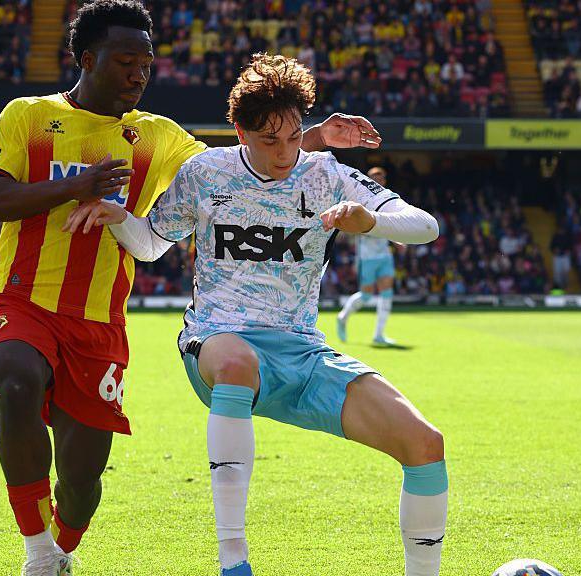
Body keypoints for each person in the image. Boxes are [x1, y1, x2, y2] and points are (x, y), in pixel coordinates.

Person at [0, 2, 382, 574]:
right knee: (16, 380)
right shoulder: (27, 117)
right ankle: (38, 551)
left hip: (98, 320)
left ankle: (61, 546)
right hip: (22, 300)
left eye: (146, 62)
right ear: (88, 59)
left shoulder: (155, 136)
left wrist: (308, 137)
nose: (139, 73)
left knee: (83, 481)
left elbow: (234, 165)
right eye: (125, 61)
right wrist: (79, 186)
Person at [65, 54, 446, 576]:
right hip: (218, 339)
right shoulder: (205, 172)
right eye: (269, 141)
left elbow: (425, 226)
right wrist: (116, 217)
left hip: (303, 350)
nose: (285, 152)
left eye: (294, 137)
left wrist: (370, 220)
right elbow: (152, 244)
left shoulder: (328, 174)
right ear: (240, 132)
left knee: (425, 443)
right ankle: (233, 563)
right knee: (239, 361)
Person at [336, 165, 400, 345]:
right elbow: (356, 228)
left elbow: (392, 224)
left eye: (381, 178)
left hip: (384, 255)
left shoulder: (388, 200)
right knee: (366, 296)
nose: (379, 180)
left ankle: (379, 335)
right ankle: (343, 317)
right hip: (368, 256)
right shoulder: (361, 199)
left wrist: (397, 240)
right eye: (375, 178)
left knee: (387, 293)